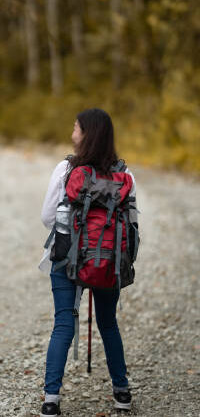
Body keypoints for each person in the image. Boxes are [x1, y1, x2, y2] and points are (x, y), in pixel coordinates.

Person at [39, 108, 137, 416]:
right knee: (108, 323)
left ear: (86, 134)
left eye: (75, 128)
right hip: (108, 261)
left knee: (64, 323)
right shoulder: (125, 175)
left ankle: (51, 399)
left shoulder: (66, 169)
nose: (72, 133)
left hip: (66, 258)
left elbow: (47, 218)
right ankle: (121, 392)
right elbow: (132, 224)